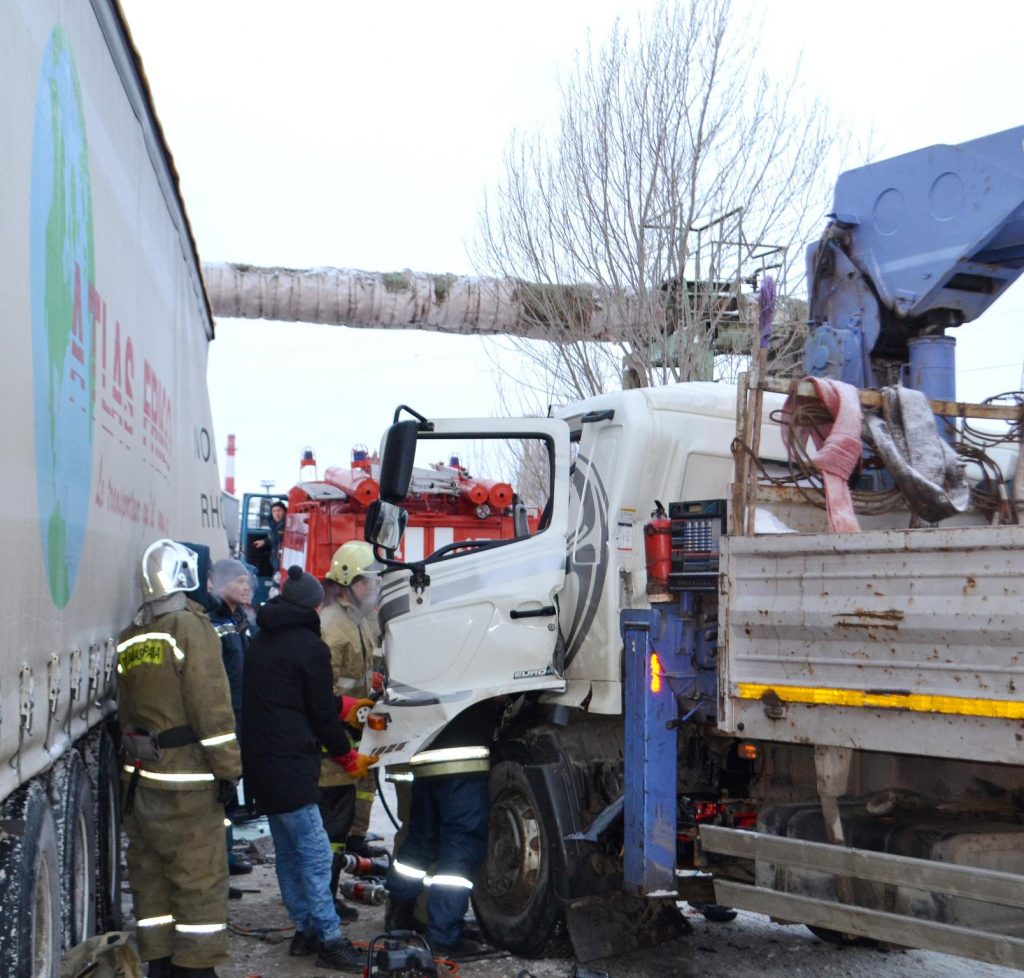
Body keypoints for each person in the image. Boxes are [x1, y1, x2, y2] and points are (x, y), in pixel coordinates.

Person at [116, 539, 242, 978]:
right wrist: (229, 770)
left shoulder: (131, 638)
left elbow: (127, 710)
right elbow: (212, 707)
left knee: (151, 880)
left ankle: (160, 964)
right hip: (189, 781)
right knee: (199, 881)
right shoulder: (189, 627)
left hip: (142, 781)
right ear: (183, 576)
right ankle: (196, 970)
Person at [241, 565, 375, 973]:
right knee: (316, 856)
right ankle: (331, 941)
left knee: (287, 853)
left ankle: (304, 930)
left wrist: (347, 705)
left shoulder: (262, 640)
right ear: (313, 604)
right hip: (293, 766)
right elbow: (318, 711)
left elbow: (295, 696)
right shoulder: (310, 645)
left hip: (261, 766)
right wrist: (347, 756)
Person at [385, 702, 498, 960]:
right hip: (463, 757)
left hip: (427, 754)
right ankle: (444, 936)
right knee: (462, 843)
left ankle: (400, 915)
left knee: (422, 837)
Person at [319, 540, 386, 894]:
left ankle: (328, 898)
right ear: (347, 583)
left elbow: (358, 672)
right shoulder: (332, 627)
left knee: (341, 827)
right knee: (331, 830)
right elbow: (319, 694)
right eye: (367, 582)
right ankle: (325, 901)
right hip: (331, 752)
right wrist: (348, 706)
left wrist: (371, 683)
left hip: (351, 738)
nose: (373, 588)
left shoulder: (357, 621)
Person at [208, 558, 254, 873]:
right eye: (239, 581)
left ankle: (227, 855)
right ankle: (220, 859)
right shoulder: (213, 622)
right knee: (220, 793)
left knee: (230, 789)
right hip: (225, 717)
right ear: (221, 584)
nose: (246, 586)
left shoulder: (238, 619)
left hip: (240, 715)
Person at [251, 500, 287, 573]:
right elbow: (273, 537)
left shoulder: (287, 525)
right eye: (274, 511)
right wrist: (264, 541)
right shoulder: (274, 525)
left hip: (283, 563)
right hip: (276, 562)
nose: (277, 514)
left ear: (285, 511)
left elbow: (279, 538)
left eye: (279, 510)